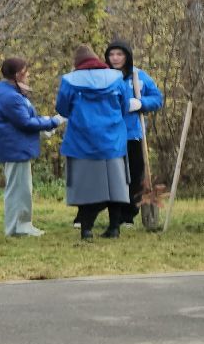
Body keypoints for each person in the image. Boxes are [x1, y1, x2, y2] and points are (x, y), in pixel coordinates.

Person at [56, 45, 139, 239]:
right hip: (112, 141)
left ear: (77, 63)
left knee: (86, 187)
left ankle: (86, 229)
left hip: (81, 142)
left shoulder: (69, 80)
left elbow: (62, 108)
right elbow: (124, 106)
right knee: (115, 185)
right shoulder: (116, 77)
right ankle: (114, 228)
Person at [0, 57, 64, 236]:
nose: (28, 75)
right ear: (18, 74)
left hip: (14, 146)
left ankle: (21, 225)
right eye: (26, 72)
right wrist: (53, 122)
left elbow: (23, 119)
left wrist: (42, 123)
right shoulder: (11, 97)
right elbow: (25, 122)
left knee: (21, 188)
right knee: (19, 190)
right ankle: (18, 227)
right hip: (15, 148)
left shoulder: (6, 92)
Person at [104, 41, 164, 226]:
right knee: (114, 175)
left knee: (135, 175)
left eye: (119, 54)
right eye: (112, 54)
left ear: (127, 56)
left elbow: (157, 99)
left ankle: (129, 215)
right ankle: (114, 214)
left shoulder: (139, 76)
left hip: (133, 133)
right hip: (109, 134)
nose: (115, 58)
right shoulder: (104, 77)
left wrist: (141, 103)